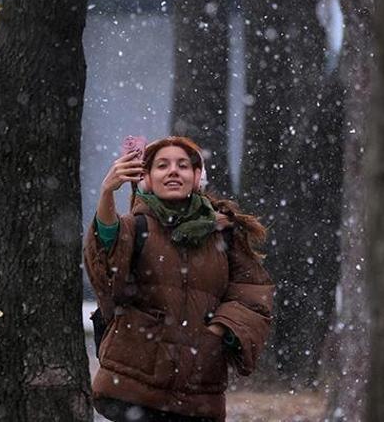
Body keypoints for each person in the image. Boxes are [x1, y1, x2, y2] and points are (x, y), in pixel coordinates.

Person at [84, 136, 275, 421]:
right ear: (146, 178)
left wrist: (217, 333)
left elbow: (252, 296)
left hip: (198, 390)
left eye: (183, 165)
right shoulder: (135, 228)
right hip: (133, 387)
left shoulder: (223, 234)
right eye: (162, 165)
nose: (173, 171)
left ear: (197, 177)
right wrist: (106, 194)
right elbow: (105, 270)